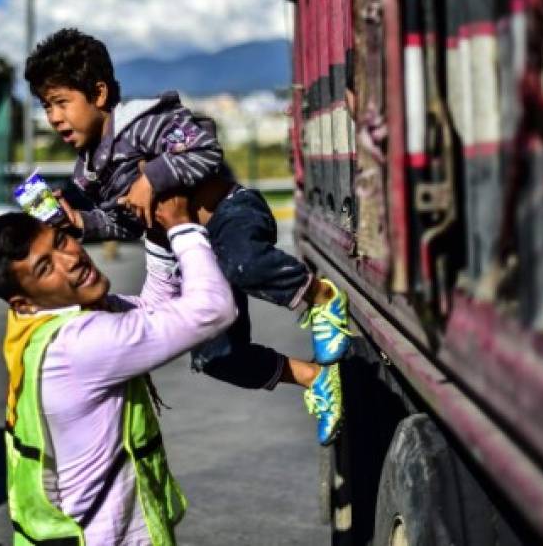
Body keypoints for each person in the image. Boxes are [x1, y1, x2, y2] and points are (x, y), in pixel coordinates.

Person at [23, 28, 352, 445]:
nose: (53, 118)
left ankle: (321, 299)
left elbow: (206, 150)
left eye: (60, 102)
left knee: (243, 262)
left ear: (99, 93)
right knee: (217, 358)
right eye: (45, 106)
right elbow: (129, 223)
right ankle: (317, 379)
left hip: (231, 215)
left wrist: (152, 179)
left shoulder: (144, 124)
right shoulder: (86, 175)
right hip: (196, 251)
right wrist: (82, 224)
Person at [0, 193, 236, 545]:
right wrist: (182, 226)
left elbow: (154, 310)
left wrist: (155, 233)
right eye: (46, 268)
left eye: (61, 241)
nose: (71, 260)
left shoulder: (41, 325)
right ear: (24, 300)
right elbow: (212, 310)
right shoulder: (78, 344)